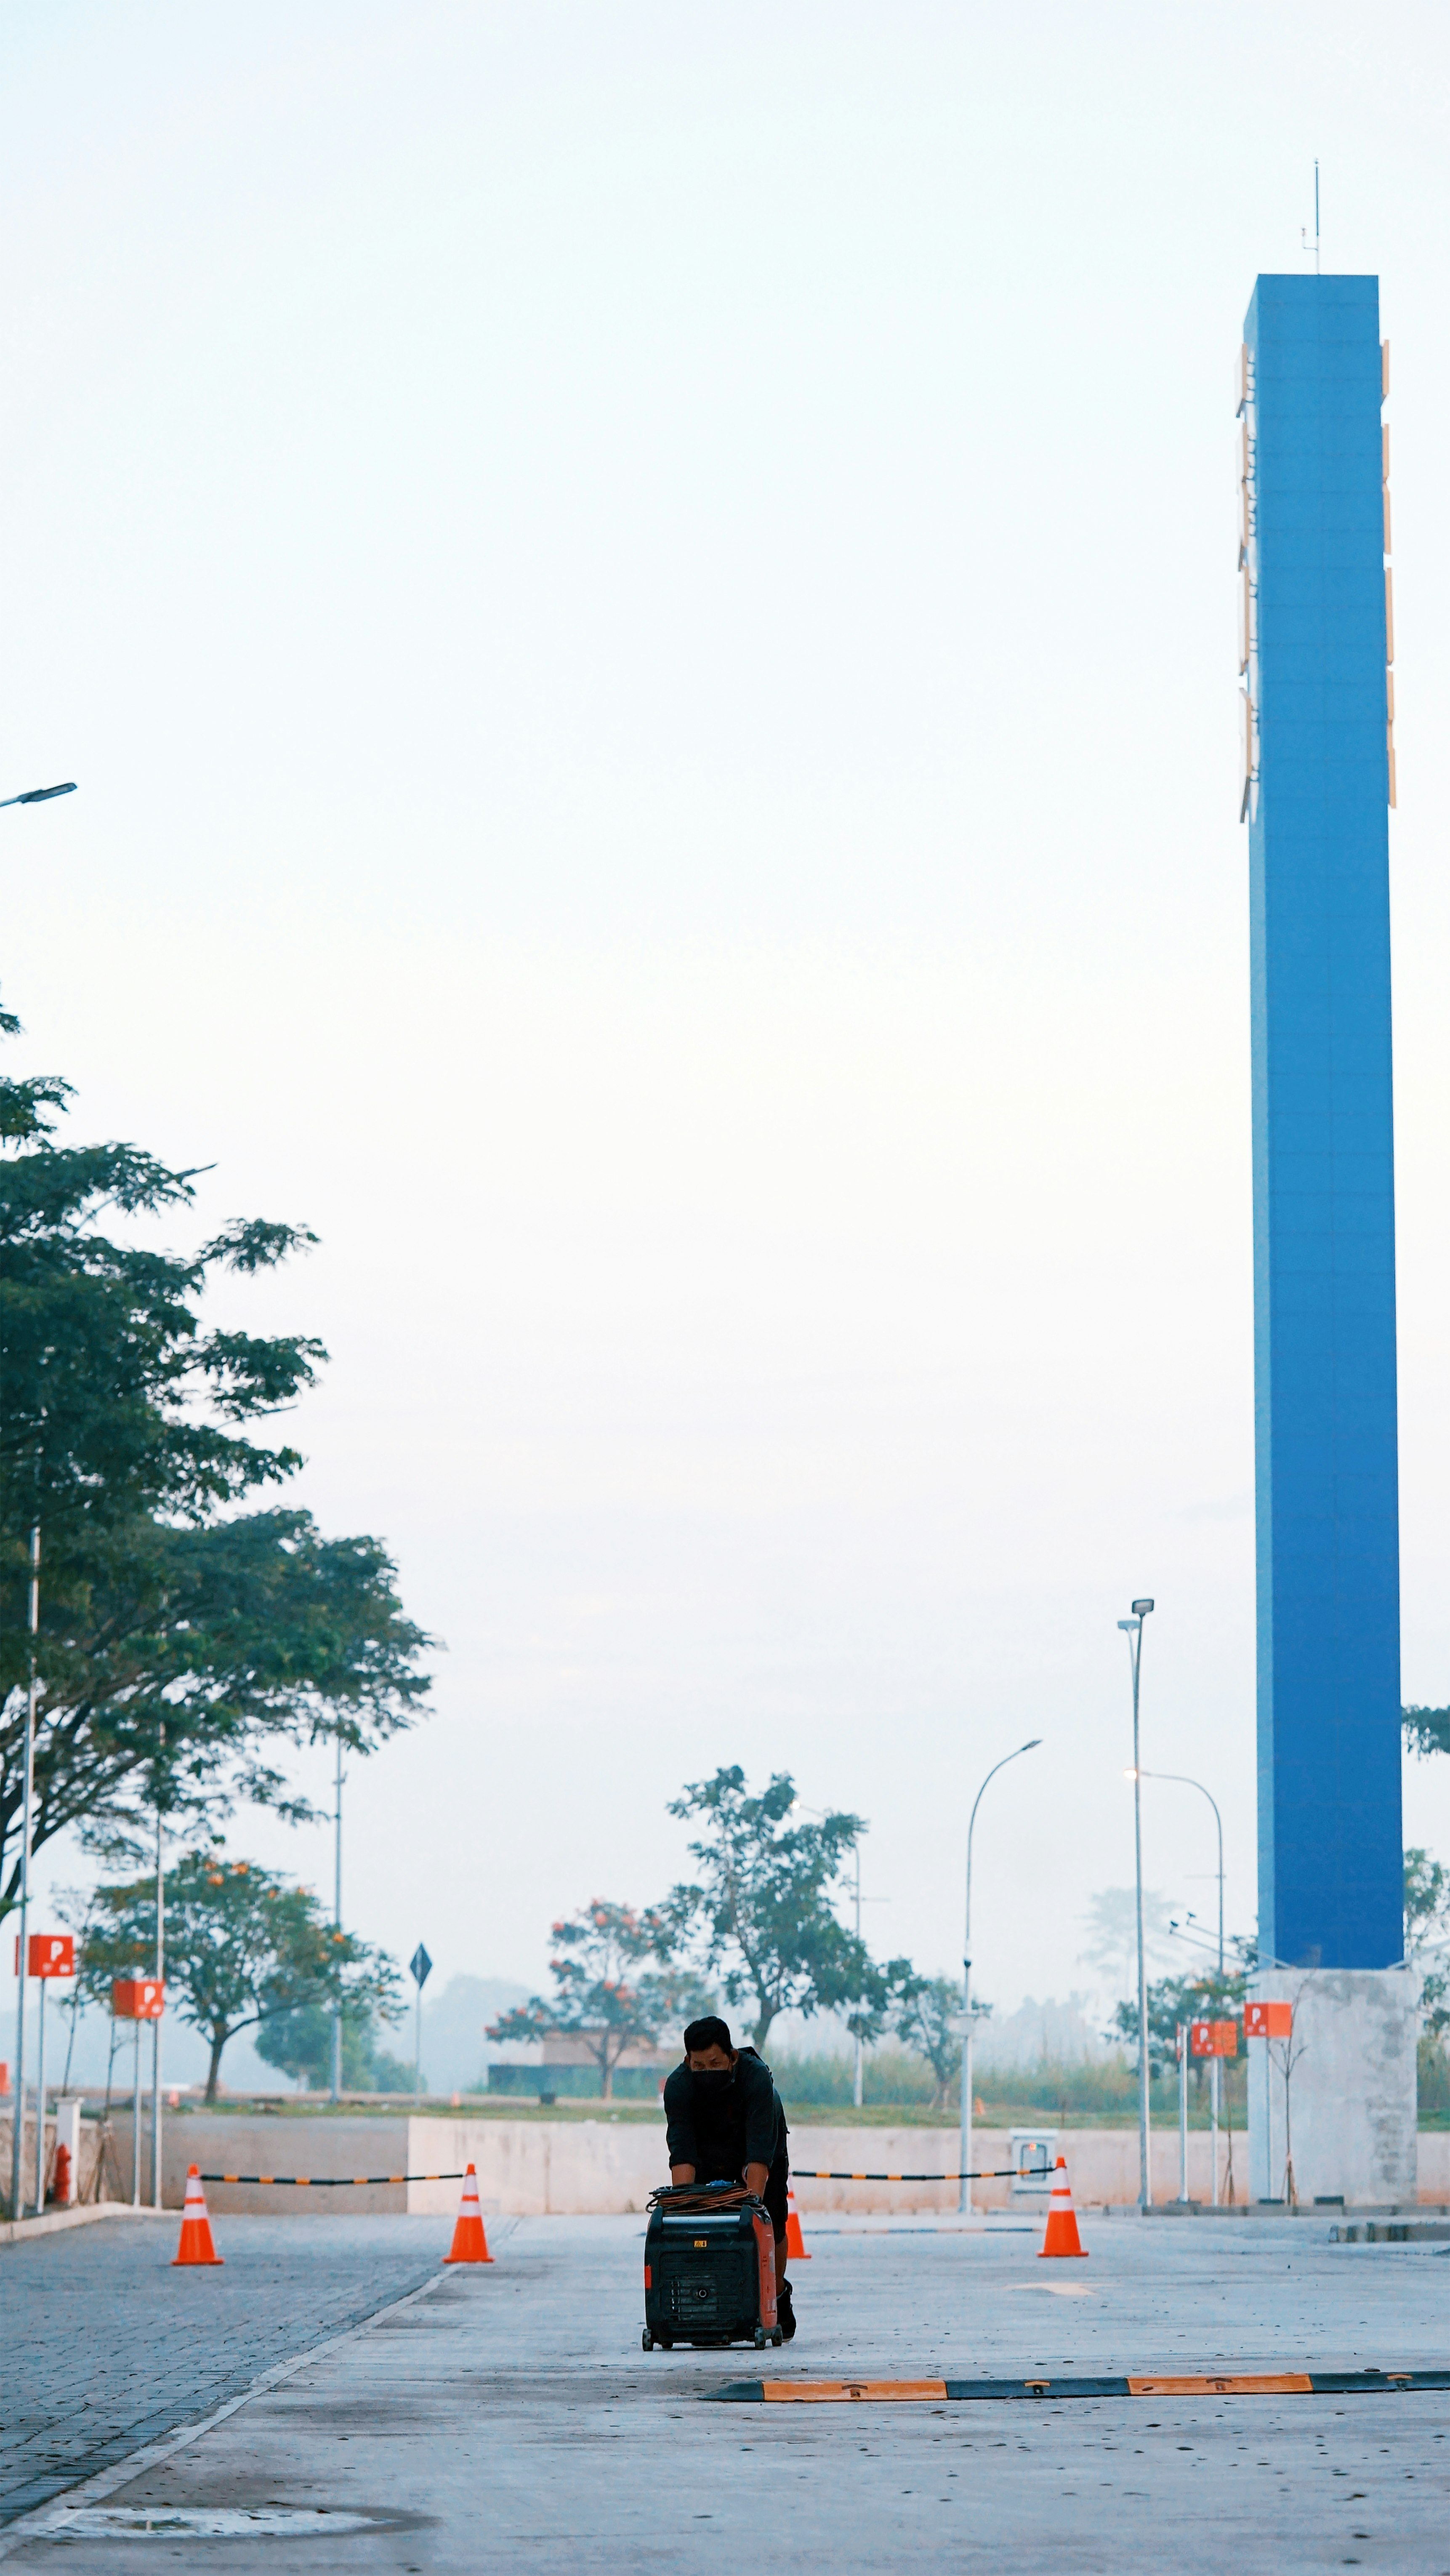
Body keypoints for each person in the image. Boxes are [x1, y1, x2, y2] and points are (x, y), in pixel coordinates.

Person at [662, 2014, 796, 2341]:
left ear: (732, 2056)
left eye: (715, 2063)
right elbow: (682, 2156)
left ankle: (776, 2298)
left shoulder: (756, 2078)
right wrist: (686, 2213)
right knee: (701, 2224)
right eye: (699, 2065)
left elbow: (759, 2159)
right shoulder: (679, 2086)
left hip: (761, 2144)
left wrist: (751, 2213)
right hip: (708, 2149)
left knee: (771, 2219)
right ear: (686, 2061)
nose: (707, 2071)